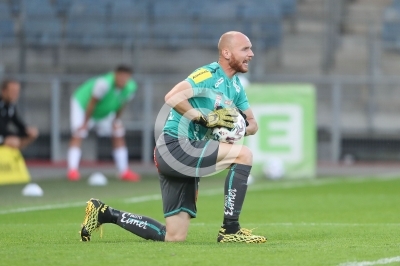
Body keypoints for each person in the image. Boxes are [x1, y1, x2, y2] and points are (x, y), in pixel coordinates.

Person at [79, 31, 266, 243]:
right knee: (244, 155)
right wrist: (206, 120)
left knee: (174, 237)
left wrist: (238, 126)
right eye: (245, 49)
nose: (251, 54)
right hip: (176, 146)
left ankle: (104, 213)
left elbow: (253, 124)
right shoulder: (208, 74)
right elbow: (172, 96)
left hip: (188, 151)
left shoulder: (236, 87)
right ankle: (230, 230)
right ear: (226, 52)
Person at [67, 65, 140, 182]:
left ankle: (124, 171)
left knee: (118, 132)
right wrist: (85, 123)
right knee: (79, 132)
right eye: (120, 76)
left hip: (104, 111)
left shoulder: (131, 87)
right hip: (83, 106)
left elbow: (121, 105)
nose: (123, 79)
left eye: (126, 77)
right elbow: (92, 103)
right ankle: (72, 171)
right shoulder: (103, 84)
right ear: (115, 74)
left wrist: (115, 121)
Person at [0, 79, 38, 150]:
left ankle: (13, 155)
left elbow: (17, 121)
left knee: (31, 134)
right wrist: (7, 138)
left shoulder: (11, 106)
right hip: (2, 135)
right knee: (13, 141)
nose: (15, 94)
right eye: (12, 91)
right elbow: (2, 128)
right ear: (4, 91)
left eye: (17, 91)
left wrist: (27, 130)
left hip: (4, 134)